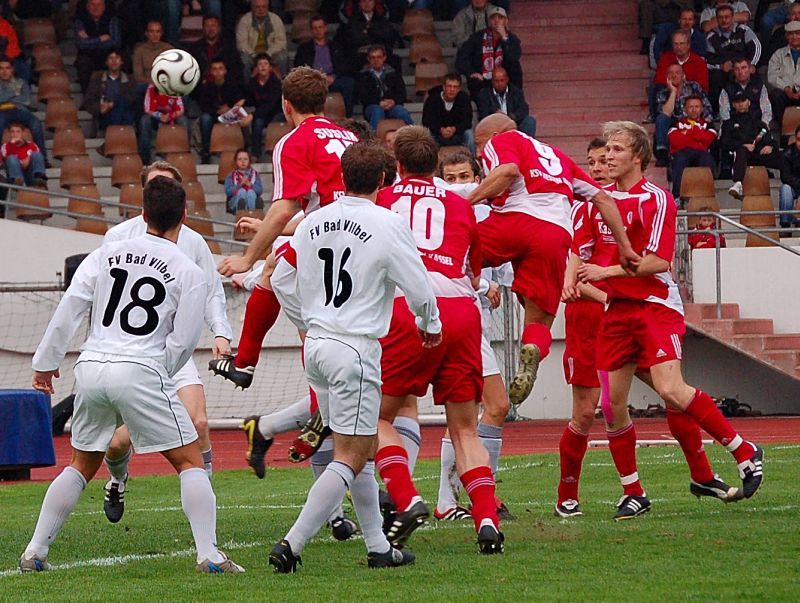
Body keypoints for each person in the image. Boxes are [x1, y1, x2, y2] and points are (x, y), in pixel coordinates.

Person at [20, 176, 243, 574]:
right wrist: (156, 371)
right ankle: (209, 554)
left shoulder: (106, 253)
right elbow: (184, 340)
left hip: (92, 366)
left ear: (142, 213)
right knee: (190, 460)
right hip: (140, 366)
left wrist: (45, 363)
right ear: (184, 216)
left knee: (80, 464)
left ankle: (35, 551)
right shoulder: (188, 270)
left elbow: (71, 306)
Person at [267, 140, 441, 573]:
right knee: (351, 453)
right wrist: (430, 323)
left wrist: (306, 320)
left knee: (355, 447)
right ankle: (291, 544)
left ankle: (379, 546)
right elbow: (418, 285)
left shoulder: (312, 221)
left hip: (318, 346)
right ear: (383, 179)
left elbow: (281, 277)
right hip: (355, 348)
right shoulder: (387, 223)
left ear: (342, 177)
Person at [576, 120, 763, 519]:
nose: (608, 156)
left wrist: (605, 273)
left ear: (638, 157)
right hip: (616, 311)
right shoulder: (596, 201)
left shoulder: (656, 199)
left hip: (654, 305)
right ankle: (634, 492)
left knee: (671, 389)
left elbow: (658, 262)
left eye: (617, 149)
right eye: (606, 149)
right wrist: (571, 274)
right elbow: (581, 252)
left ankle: (743, 450)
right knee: (611, 405)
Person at [373, 126, 503, 554]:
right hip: (462, 311)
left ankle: (406, 496)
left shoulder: (383, 199)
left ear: (397, 165)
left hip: (407, 309)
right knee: (464, 427)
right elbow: (474, 270)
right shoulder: (460, 202)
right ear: (436, 165)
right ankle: (487, 520)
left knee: (375, 418)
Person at [467, 114, 639, 407]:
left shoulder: (503, 139)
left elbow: (508, 170)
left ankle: (441, 314)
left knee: (453, 254)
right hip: (555, 234)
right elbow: (603, 199)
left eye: (480, 146)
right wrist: (625, 247)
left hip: (514, 220)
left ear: (491, 136)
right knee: (539, 323)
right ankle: (532, 348)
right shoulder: (559, 157)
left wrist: (465, 203)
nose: (481, 154)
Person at [100, 162, 232, 523]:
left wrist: (221, 332)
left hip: (173, 353)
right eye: (156, 186)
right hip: (128, 355)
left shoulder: (194, 241)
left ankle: (205, 507)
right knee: (117, 442)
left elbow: (212, 292)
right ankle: (117, 480)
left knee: (198, 423)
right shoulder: (118, 237)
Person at [211, 67, 358, 388]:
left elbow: (283, 208)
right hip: (363, 233)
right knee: (280, 273)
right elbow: (328, 203)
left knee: (279, 280)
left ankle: (246, 362)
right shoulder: (351, 137)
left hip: (327, 241)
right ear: (323, 101)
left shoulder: (294, 141)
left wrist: (247, 258)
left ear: (286, 105)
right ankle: (249, 365)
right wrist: (275, 228)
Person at [431, 150, 513, 523]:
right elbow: (443, 264)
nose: (459, 184)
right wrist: (483, 286)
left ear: (478, 178)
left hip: (474, 322)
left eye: (465, 177)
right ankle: (465, 498)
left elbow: (500, 269)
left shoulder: (487, 213)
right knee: (490, 406)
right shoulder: (444, 212)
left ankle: (457, 498)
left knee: (481, 409)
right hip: (455, 319)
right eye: (450, 178)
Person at [721, 91, 781, 199]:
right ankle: (738, 183)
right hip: (739, 156)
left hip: (759, 154)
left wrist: (770, 146)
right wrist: (743, 145)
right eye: (737, 102)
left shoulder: (759, 123)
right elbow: (723, 143)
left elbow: (771, 140)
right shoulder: (728, 124)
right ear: (733, 104)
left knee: (783, 155)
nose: (740, 104)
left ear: (748, 102)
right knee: (741, 151)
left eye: (743, 101)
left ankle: (790, 184)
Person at [294, 15, 356, 118]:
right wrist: (316, 78)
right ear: (311, 30)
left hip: (332, 79)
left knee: (348, 83)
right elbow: (299, 67)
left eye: (320, 27)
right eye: (315, 28)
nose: (318, 30)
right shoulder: (304, 49)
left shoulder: (336, 46)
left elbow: (343, 65)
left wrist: (333, 77)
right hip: (313, 80)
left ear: (325, 28)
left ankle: (347, 117)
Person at [456, 6, 522, 101]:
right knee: (475, 82)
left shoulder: (512, 39)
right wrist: (471, 72)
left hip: (503, 79)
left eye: (500, 18)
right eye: (493, 18)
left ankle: (514, 103)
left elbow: (514, 57)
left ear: (506, 21)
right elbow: (462, 56)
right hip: (483, 78)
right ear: (489, 21)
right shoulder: (477, 37)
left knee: (516, 68)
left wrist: (505, 39)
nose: (496, 20)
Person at [705, 3, 761, 113]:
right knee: (715, 77)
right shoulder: (711, 37)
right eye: (721, 17)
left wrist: (752, 64)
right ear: (716, 19)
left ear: (732, 17)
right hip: (724, 72)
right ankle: (719, 111)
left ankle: (754, 109)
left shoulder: (743, 30)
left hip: (744, 68)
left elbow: (757, 47)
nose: (724, 20)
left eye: (727, 17)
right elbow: (707, 60)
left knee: (753, 74)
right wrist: (720, 66)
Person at [654, 63, 713, 167]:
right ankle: (663, 155)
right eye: (671, 73)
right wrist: (673, 92)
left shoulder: (693, 87)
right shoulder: (662, 93)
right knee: (661, 119)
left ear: (683, 76)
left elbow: (705, 107)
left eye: (677, 73)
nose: (674, 75)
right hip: (674, 125)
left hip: (694, 121)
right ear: (667, 77)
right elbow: (666, 113)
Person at [196, 58, 249, 163]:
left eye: (220, 69)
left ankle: (245, 149)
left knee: (244, 116)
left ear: (225, 71)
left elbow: (240, 99)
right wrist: (218, 110)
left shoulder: (232, 85)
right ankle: (206, 151)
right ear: (211, 71)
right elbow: (204, 106)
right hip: (214, 115)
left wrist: (230, 109)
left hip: (230, 113)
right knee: (205, 118)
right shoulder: (206, 86)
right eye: (215, 69)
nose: (218, 72)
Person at [650, 29, 708, 121]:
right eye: (676, 44)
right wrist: (675, 88)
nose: (679, 47)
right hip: (668, 98)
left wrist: (681, 85)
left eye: (682, 44)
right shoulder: (665, 59)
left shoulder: (699, 62)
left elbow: (702, 85)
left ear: (688, 45)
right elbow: (660, 81)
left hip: (692, 99)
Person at [668, 94, 717, 199]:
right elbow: (675, 141)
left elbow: (708, 140)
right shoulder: (675, 124)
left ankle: (706, 195)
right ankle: (677, 197)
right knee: (679, 160)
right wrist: (698, 137)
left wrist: (687, 133)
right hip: (682, 153)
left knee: (707, 160)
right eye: (691, 107)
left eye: (697, 107)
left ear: (702, 109)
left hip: (702, 154)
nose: (694, 110)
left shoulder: (709, 125)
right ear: (685, 109)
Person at [357, 44, 413, 131]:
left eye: (379, 57)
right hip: (372, 107)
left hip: (392, 106)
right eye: (373, 57)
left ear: (384, 58)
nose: (376, 60)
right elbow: (363, 97)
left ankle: (414, 135)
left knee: (401, 111)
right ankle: (372, 137)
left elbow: (402, 93)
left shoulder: (393, 73)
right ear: (368, 59)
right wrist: (379, 103)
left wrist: (393, 101)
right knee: (377, 111)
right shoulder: (363, 75)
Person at [335, 0, 400, 72]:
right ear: (359, 3)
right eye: (363, 1)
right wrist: (372, 38)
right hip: (361, 54)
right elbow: (354, 38)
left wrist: (369, 33)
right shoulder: (352, 21)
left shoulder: (382, 20)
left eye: (370, 1)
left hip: (380, 51)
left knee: (395, 60)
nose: (367, 4)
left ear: (374, 3)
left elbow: (387, 36)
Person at [0, 56, 46, 157]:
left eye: (7, 68)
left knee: (36, 123)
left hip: (20, 110)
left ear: (12, 69)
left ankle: (43, 158)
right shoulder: (16, 86)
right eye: (1, 68)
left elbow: (25, 100)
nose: (4, 71)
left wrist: (6, 98)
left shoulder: (21, 82)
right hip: (2, 112)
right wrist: (14, 93)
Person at [83, 49, 137, 131]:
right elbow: (88, 101)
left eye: (117, 58)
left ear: (122, 62)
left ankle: (115, 134)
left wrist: (113, 104)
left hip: (125, 114)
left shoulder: (130, 80)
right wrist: (100, 108)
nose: (114, 61)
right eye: (111, 58)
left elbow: (133, 99)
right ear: (106, 62)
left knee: (125, 108)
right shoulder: (97, 80)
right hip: (105, 116)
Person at [74, 0, 123, 92]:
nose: (95, 7)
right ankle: (87, 95)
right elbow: (81, 44)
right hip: (88, 55)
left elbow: (116, 41)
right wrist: (100, 39)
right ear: (87, 7)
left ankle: (114, 94)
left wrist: (90, 41)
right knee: (83, 62)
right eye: (92, 4)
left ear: (104, 7)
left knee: (119, 58)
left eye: (99, 5)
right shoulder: (80, 20)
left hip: (107, 54)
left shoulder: (112, 19)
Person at [476, 66, 536, 138]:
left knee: (529, 121)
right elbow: (483, 114)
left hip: (514, 124)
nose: (499, 84)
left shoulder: (516, 91)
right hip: (495, 127)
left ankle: (526, 144)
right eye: (496, 81)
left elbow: (523, 109)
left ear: (507, 79)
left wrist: (511, 116)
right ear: (492, 81)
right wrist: (496, 116)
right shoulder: (484, 94)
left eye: (502, 80)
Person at [184, 14, 244, 86]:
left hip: (226, 85)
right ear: (203, 28)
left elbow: (236, 68)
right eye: (207, 26)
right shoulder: (195, 48)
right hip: (201, 86)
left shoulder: (229, 47)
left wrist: (224, 80)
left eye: (213, 25)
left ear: (219, 28)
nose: (211, 29)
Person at [421, 73, 475, 153]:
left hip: (457, 134)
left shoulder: (464, 98)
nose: (452, 90)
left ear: (459, 89)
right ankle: (428, 160)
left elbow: (467, 121)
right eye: (449, 86)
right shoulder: (432, 99)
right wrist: (441, 129)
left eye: (455, 87)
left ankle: (473, 158)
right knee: (426, 134)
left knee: (469, 134)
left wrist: (454, 129)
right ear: (444, 87)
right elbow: (426, 121)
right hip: (437, 134)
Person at [235, 0, 289, 78]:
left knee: (282, 57)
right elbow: (241, 44)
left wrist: (268, 54)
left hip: (271, 54)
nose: (261, 10)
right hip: (252, 54)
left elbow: (281, 42)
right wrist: (254, 55)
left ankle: (283, 83)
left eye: (264, 7)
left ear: (268, 7)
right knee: (244, 60)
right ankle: (246, 84)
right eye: (257, 7)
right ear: (252, 7)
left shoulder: (276, 19)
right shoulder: (245, 20)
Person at [138, 83, 189, 164]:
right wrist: (160, 116)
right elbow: (147, 109)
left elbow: (181, 109)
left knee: (183, 121)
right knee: (144, 120)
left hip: (171, 117)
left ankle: (184, 154)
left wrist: (171, 116)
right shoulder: (151, 88)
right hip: (155, 118)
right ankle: (144, 159)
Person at [247, 52, 282, 159]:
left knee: (272, 125)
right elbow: (250, 101)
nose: (263, 67)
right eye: (260, 64)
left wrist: (253, 115)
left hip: (275, 112)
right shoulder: (252, 82)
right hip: (260, 113)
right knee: (257, 122)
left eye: (265, 64)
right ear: (256, 68)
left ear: (270, 67)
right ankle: (255, 154)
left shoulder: (276, 83)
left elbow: (271, 104)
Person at [767, 20, 800, 130]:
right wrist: (786, 88)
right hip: (786, 93)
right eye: (791, 34)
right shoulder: (778, 54)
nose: (794, 37)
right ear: (786, 36)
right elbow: (772, 76)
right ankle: (785, 128)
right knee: (775, 95)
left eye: (797, 33)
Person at [718, 58, 772, 124]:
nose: (740, 72)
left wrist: (763, 126)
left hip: (756, 124)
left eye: (743, 68)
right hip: (734, 125)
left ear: (750, 69)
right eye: (737, 69)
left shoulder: (759, 85)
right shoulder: (727, 88)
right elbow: (724, 113)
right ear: (733, 71)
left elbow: (766, 110)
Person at [132, 20, 173, 95]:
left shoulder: (169, 49)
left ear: (162, 33)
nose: (155, 35)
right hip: (147, 83)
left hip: (166, 83)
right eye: (151, 31)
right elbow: (138, 76)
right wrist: (155, 83)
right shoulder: (139, 51)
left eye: (158, 32)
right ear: (146, 33)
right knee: (139, 87)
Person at [0, 121, 45, 186]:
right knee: (11, 158)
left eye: (18, 131)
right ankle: (18, 182)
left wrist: (29, 158)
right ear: (10, 134)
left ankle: (39, 178)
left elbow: (38, 159)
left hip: (30, 175)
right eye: (12, 131)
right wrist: (11, 145)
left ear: (22, 133)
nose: (15, 134)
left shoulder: (31, 145)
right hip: (14, 176)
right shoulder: (5, 146)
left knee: (37, 154)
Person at [779, 123, 800, 231]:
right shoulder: (787, 153)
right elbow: (785, 176)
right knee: (785, 188)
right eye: (799, 139)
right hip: (794, 186)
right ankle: (785, 224)